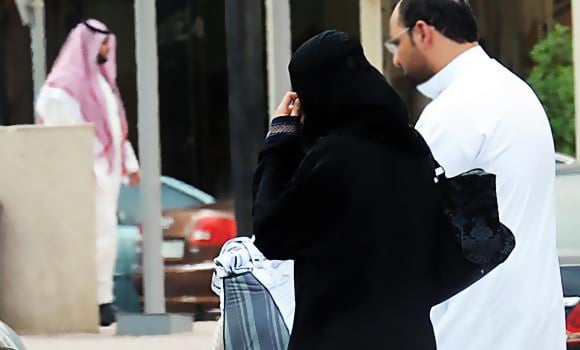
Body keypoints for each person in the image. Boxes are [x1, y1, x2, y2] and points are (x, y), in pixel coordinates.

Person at [388, 1, 565, 349]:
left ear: (422, 32)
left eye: (396, 43)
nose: (396, 59)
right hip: (531, 327)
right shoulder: (514, 92)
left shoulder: (456, 110)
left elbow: (404, 222)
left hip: (476, 330)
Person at [252, 30, 441, 349]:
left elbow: (270, 232)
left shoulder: (336, 159)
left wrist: (280, 140)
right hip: (412, 336)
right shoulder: (412, 148)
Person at [35, 19, 140, 326]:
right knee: (84, 241)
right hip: (78, 180)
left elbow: (115, 133)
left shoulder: (103, 85)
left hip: (105, 179)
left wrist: (129, 165)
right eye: (103, 42)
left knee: (104, 240)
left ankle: (102, 301)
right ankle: (84, 303)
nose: (108, 48)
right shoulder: (60, 90)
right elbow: (60, 138)